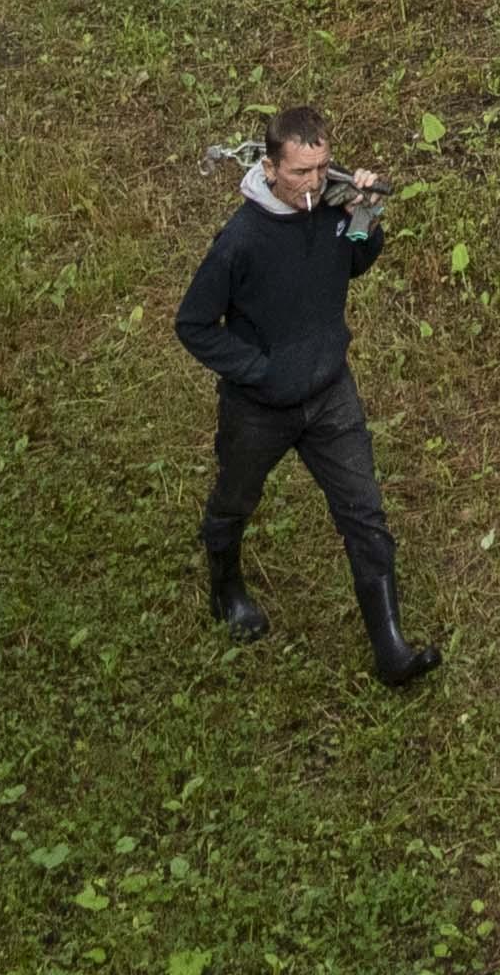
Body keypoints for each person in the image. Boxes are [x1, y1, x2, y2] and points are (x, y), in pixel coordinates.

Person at [172, 104, 442, 688]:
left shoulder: (330, 210)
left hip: (329, 394)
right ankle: (226, 588)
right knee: (235, 499)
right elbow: (192, 324)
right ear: (270, 168)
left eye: (322, 167)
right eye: (300, 172)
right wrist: (257, 370)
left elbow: (355, 261)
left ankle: (390, 648)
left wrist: (366, 213)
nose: (313, 182)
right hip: (259, 406)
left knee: (364, 514)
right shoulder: (240, 240)